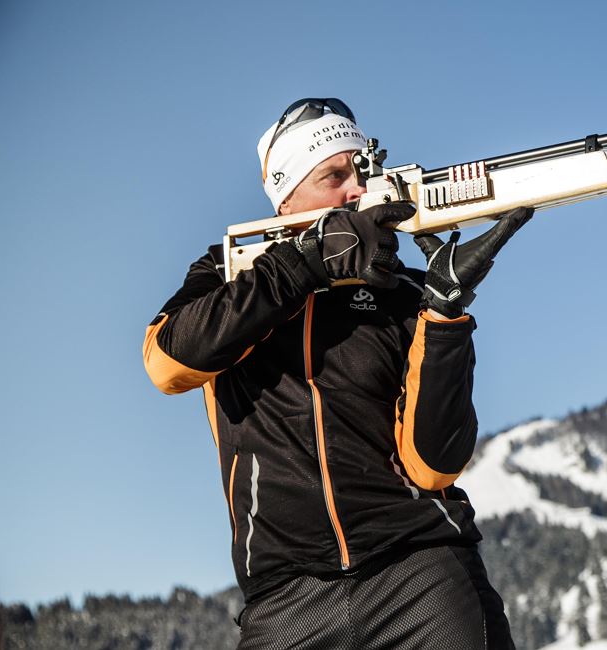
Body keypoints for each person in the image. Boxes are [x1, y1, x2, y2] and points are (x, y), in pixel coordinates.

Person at [143, 98, 530, 649]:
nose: (356, 190)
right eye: (334, 176)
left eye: (362, 172)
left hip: (419, 574)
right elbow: (168, 363)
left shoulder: (401, 292)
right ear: (286, 196)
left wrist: (444, 314)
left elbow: (432, 468)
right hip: (285, 600)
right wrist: (305, 264)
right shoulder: (228, 276)